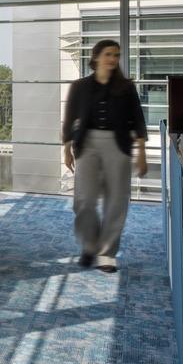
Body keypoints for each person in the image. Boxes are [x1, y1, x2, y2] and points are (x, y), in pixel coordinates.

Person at [61, 39, 147, 273]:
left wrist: (141, 153)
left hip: (117, 146)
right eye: (109, 54)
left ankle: (107, 253)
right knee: (84, 201)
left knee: (116, 202)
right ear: (96, 56)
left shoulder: (126, 87)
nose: (113, 59)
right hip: (86, 145)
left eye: (116, 55)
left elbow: (138, 119)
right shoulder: (79, 86)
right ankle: (89, 246)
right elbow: (69, 119)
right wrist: (66, 149)